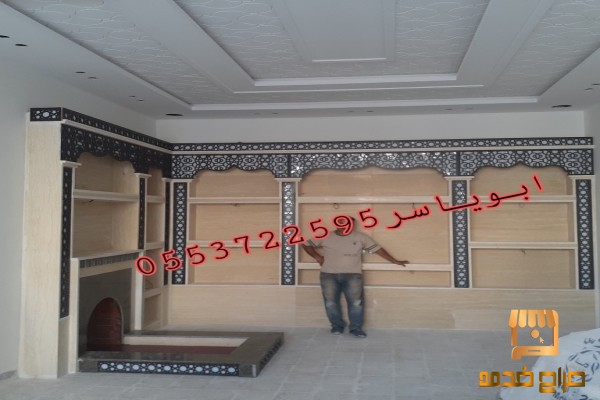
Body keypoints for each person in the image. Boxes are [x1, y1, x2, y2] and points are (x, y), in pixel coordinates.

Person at [301, 217, 408, 338]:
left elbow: (378, 250)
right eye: (341, 223)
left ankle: (356, 329)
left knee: (356, 303)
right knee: (330, 303)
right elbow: (306, 244)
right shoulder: (325, 236)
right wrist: (317, 256)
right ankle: (337, 326)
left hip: (353, 275)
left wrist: (395, 261)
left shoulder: (361, 237)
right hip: (328, 275)